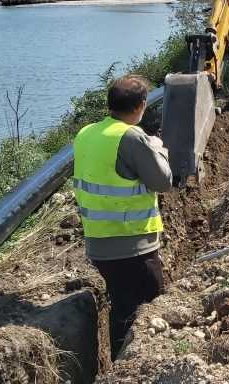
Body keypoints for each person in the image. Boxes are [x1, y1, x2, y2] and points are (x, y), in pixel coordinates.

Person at [73, 75, 172, 359]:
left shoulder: (86, 133)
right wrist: (158, 148)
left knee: (121, 306)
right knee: (143, 311)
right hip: (133, 244)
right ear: (142, 105)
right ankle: (135, 365)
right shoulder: (130, 137)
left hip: (99, 244)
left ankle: (119, 365)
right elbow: (163, 180)